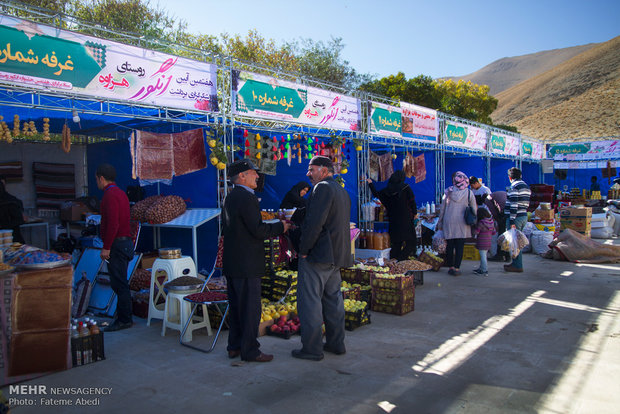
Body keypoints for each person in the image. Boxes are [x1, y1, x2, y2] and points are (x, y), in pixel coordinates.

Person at [223, 159, 290, 363]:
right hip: (247, 263)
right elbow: (258, 230)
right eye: (253, 173)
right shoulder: (247, 198)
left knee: (236, 307)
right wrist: (280, 227)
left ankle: (234, 346)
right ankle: (250, 350)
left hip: (234, 262)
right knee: (251, 308)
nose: (258, 176)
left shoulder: (231, 196)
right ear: (242, 176)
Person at [293, 156, 352, 361]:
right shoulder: (341, 190)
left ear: (325, 171)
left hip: (319, 255)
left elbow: (314, 223)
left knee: (310, 302)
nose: (308, 174)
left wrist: (304, 249)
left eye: (312, 169)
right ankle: (336, 344)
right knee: (333, 300)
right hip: (336, 255)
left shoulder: (322, 189)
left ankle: (312, 348)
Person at [96, 164, 134, 332]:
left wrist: (106, 247)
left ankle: (125, 319)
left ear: (101, 178)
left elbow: (113, 224)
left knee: (119, 283)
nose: (96, 182)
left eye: (96, 179)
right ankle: (123, 316)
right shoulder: (120, 194)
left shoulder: (110, 195)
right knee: (120, 282)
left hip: (118, 244)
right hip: (124, 243)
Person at [366, 170, 417, 260]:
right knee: (411, 243)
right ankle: (401, 260)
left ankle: (394, 263)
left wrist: (370, 184)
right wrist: (415, 213)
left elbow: (376, 194)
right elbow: (412, 201)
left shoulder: (387, 191)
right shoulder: (405, 187)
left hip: (394, 221)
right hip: (406, 221)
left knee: (396, 244)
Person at [437, 171, 477, 276]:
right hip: (462, 223)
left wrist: (440, 223)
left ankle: (450, 266)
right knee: (460, 246)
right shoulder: (469, 192)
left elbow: (442, 209)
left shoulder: (447, 191)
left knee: (449, 246)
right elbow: (474, 208)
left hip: (449, 221)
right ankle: (457, 268)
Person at [504, 167, 531, 273]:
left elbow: (514, 204)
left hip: (516, 217)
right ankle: (515, 262)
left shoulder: (514, 186)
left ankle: (517, 265)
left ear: (510, 177)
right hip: (523, 215)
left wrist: (511, 221)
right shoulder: (526, 186)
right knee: (517, 241)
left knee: (515, 243)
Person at [484, 191, 510, 262]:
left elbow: (494, 212)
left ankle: (500, 255)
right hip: (510, 211)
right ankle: (507, 256)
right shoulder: (495, 194)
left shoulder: (487, 199)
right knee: (507, 235)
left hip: (504, 212)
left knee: (501, 236)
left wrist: (498, 222)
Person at [473, 207, 496, 276]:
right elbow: (494, 232)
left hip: (481, 242)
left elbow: (476, 232)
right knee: (484, 256)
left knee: (483, 257)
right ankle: (481, 268)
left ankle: (484, 270)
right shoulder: (491, 222)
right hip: (488, 242)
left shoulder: (481, 223)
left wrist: (473, 228)